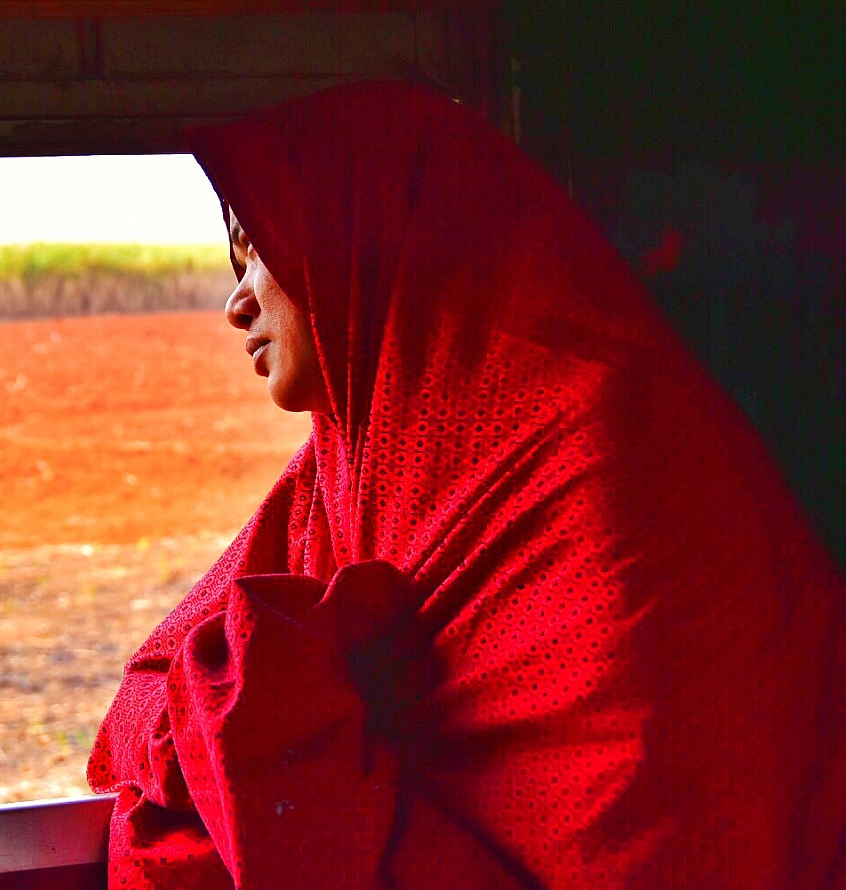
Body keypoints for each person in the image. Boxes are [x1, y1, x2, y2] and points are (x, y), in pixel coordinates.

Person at [86, 82, 846, 889]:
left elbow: (657, 826)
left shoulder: (605, 460)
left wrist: (281, 707)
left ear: (365, 235)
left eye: (258, 248)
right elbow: (140, 713)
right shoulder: (353, 463)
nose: (236, 305)